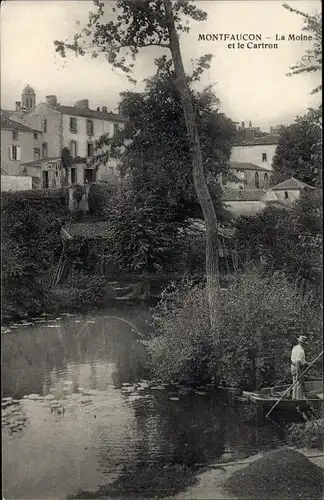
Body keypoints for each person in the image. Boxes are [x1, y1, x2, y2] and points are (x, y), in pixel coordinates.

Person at [291, 335, 308, 400]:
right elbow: (298, 362)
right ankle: (298, 399)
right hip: (298, 367)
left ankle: (294, 398)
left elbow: (301, 360)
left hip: (293, 367)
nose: (305, 344)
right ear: (302, 342)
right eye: (304, 343)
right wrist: (298, 373)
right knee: (299, 383)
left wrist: (308, 363)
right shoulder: (300, 350)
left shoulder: (295, 347)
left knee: (295, 383)